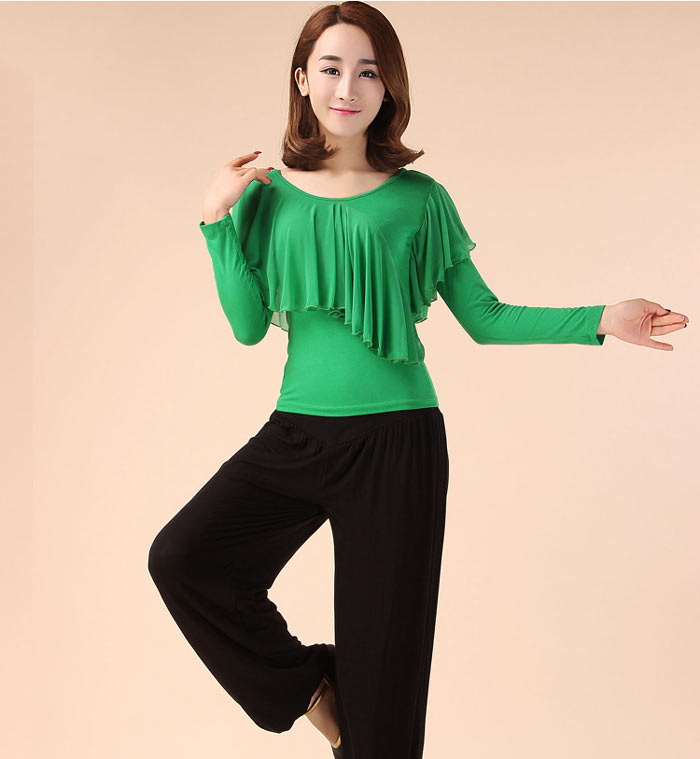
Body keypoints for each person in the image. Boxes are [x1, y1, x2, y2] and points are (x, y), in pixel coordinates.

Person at [147, 3, 689, 759]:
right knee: (185, 559)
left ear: (389, 86)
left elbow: (486, 317)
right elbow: (246, 325)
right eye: (331, 68)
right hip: (297, 436)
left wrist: (604, 317)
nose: (348, 87)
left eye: (368, 71)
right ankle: (314, 689)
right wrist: (215, 222)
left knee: (387, 695)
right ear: (302, 80)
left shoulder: (420, 198)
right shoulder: (265, 194)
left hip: (398, 447)